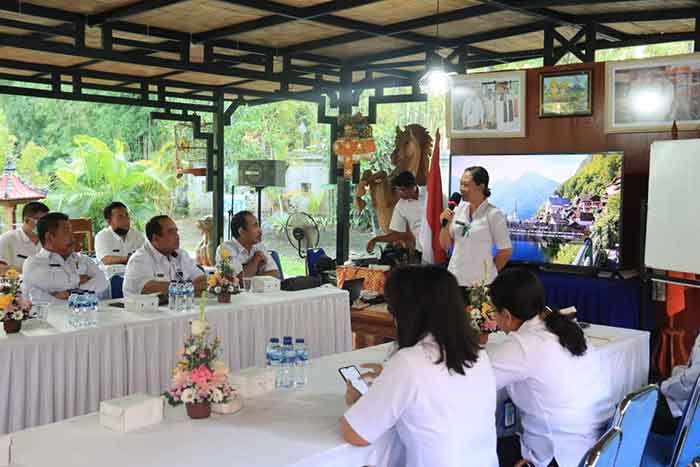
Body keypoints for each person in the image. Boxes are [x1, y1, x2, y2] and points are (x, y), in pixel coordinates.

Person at [341, 265, 498, 467]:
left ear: (407, 314)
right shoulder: (479, 355)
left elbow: (355, 433)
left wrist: (356, 399)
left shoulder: (409, 363)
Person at [487, 268, 614, 467]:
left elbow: (471, 379)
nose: (493, 317)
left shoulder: (524, 346)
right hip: (598, 448)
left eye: (493, 311)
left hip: (560, 456)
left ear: (507, 315)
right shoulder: (567, 329)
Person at [440, 166, 512, 288]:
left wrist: (488, 274)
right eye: (460, 184)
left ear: (481, 186)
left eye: (466, 185)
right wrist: (445, 226)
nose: (461, 189)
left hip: (480, 286)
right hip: (454, 280)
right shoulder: (457, 210)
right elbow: (445, 245)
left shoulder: (494, 214)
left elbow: (505, 251)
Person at [22, 212, 108, 303]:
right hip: (52, 315)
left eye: (72, 231)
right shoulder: (34, 263)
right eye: (67, 231)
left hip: (84, 312)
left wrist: (70, 293)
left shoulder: (82, 259)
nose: (73, 236)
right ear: (49, 237)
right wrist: (80, 280)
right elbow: (49, 290)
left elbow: (103, 282)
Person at [366, 171, 445, 259]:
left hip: (440, 249)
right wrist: (376, 239)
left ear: (413, 187)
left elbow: (449, 218)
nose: (400, 193)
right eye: (397, 189)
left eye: (403, 190)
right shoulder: (400, 206)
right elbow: (398, 234)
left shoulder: (432, 194)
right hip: (421, 251)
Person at [123, 215, 206, 297]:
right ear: (155, 238)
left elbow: (202, 280)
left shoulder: (181, 254)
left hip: (176, 307)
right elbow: (149, 288)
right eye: (171, 232)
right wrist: (188, 288)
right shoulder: (139, 259)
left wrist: (186, 288)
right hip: (143, 309)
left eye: (176, 231)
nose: (177, 236)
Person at [652, 333, 700, 435]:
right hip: (687, 401)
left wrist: (662, 386)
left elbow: (690, 384)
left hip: (686, 416)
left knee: (635, 413)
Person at [216, 210, 279, 280]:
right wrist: (256, 259)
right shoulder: (225, 249)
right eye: (255, 226)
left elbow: (275, 274)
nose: (260, 231)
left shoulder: (259, 246)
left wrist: (251, 276)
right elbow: (238, 281)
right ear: (242, 232)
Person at [94, 202, 145, 276]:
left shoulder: (137, 235)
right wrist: (129, 258)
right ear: (109, 221)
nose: (126, 220)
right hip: (111, 279)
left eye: (127, 215)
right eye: (120, 217)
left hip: (136, 276)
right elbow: (106, 260)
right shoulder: (102, 236)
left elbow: (146, 256)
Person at [0, 201, 49, 273]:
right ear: (26, 220)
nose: (45, 224)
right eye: (41, 220)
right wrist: (29, 272)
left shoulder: (50, 239)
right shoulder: (7, 239)